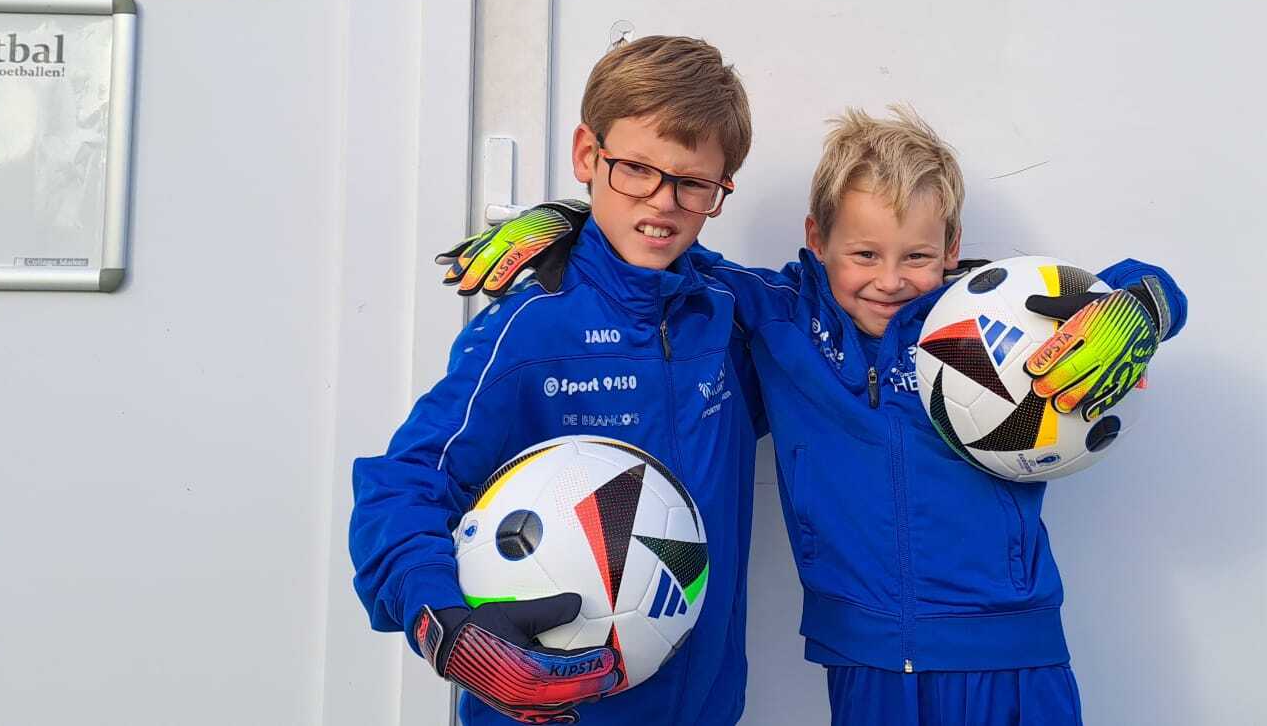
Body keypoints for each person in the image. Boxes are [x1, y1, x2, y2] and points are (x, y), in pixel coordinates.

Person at [443, 106, 1187, 725]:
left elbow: (1124, 289)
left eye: (918, 257)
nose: (891, 281)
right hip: (864, 670)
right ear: (816, 238)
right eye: (863, 253)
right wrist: (577, 226)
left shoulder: (992, 330)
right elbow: (672, 261)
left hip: (1011, 662)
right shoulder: (783, 318)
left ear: (952, 249)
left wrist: (1142, 304)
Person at [350, 36, 760, 725]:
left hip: (702, 709)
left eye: (693, 183)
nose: (662, 203)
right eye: (635, 169)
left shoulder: (729, 313)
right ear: (586, 155)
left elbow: (850, 309)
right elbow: (402, 484)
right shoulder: (529, 331)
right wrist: (445, 627)